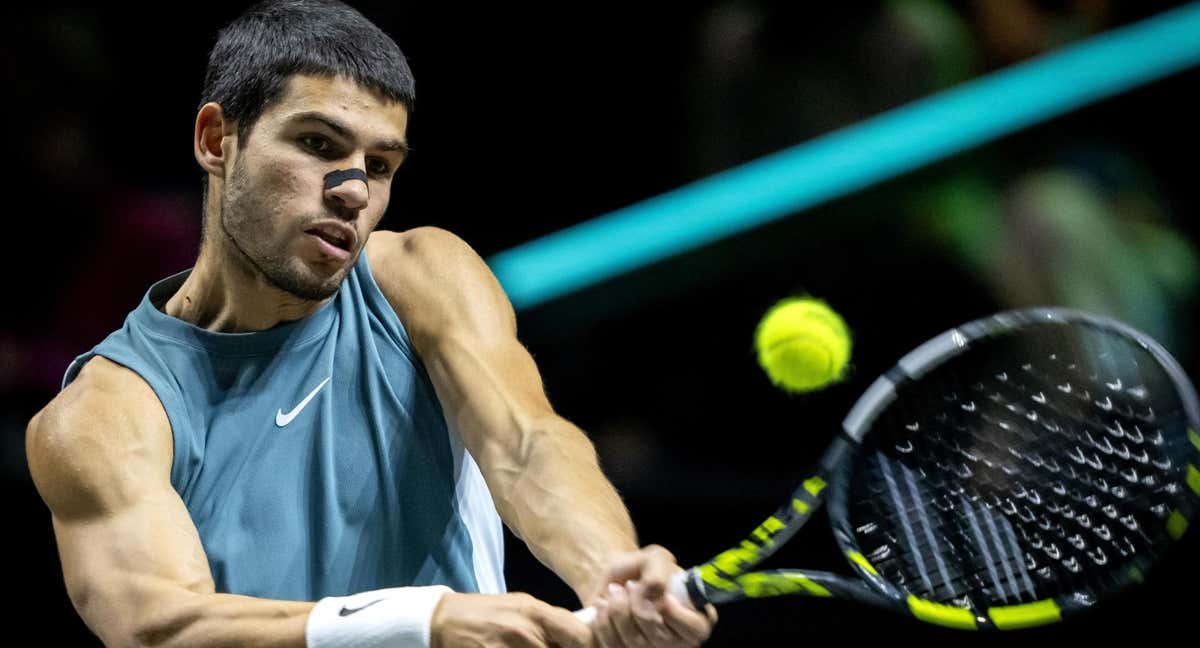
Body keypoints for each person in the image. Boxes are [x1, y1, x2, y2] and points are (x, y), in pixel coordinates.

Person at [24, 1, 716, 646]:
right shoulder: (103, 414)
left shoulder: (421, 276)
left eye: (378, 165)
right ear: (216, 140)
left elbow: (525, 443)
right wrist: (421, 620)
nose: (354, 190)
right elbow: (161, 623)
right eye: (318, 143)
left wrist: (610, 568)